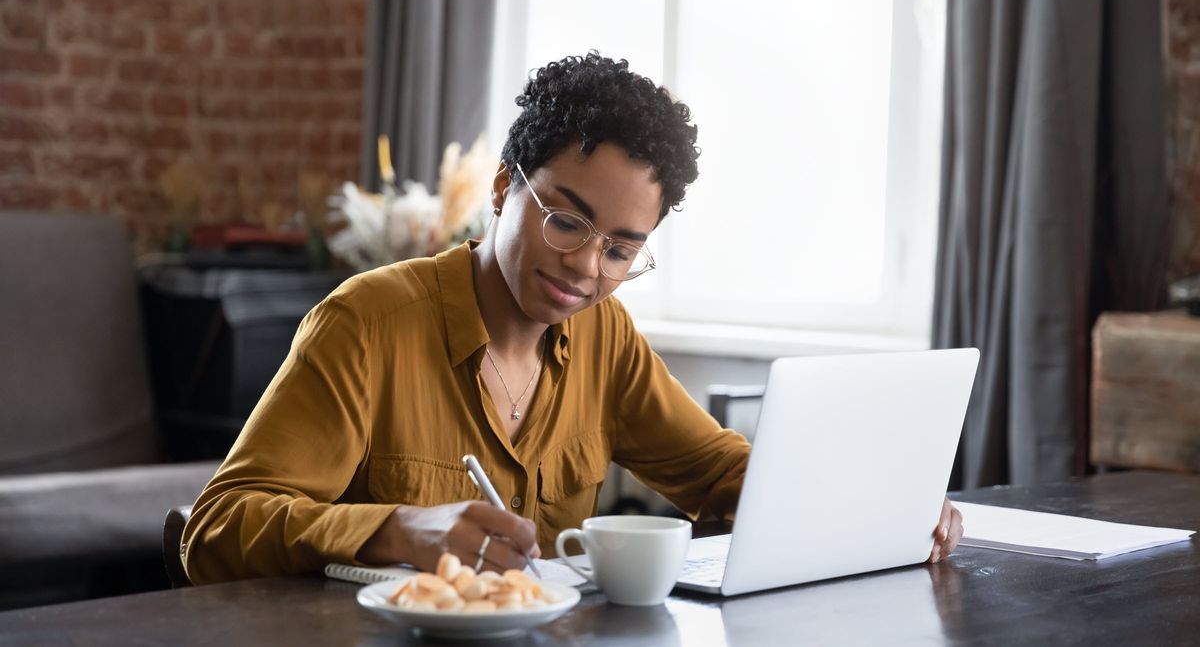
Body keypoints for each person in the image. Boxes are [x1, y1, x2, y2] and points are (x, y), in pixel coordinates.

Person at [182, 53, 963, 584]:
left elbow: (718, 472)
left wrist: (873, 500)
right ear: (501, 189)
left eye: (623, 250)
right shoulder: (367, 323)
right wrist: (396, 530)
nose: (588, 268)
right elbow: (213, 529)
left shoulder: (604, 338)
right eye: (566, 222)